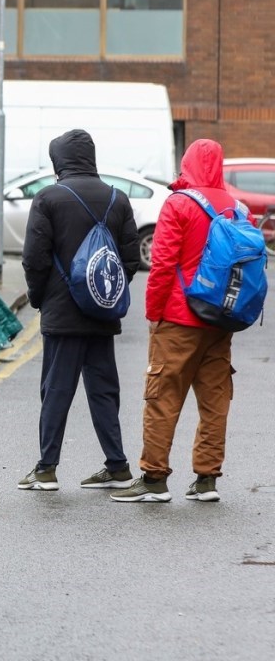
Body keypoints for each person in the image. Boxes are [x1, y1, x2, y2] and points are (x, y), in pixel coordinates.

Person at [111, 139, 238, 503]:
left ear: (189, 165)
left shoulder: (180, 204)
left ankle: (154, 479)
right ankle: (206, 480)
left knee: (163, 396)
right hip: (220, 320)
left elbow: (162, 266)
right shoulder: (234, 206)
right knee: (215, 400)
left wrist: (153, 315)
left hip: (180, 320)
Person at [19, 129, 141, 491]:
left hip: (61, 314)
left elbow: (33, 259)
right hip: (102, 313)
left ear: (59, 160)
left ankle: (46, 469)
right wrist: (104, 295)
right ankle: (118, 467)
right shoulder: (117, 198)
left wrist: (40, 298)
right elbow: (131, 259)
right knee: (104, 390)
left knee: (57, 389)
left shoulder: (49, 198)